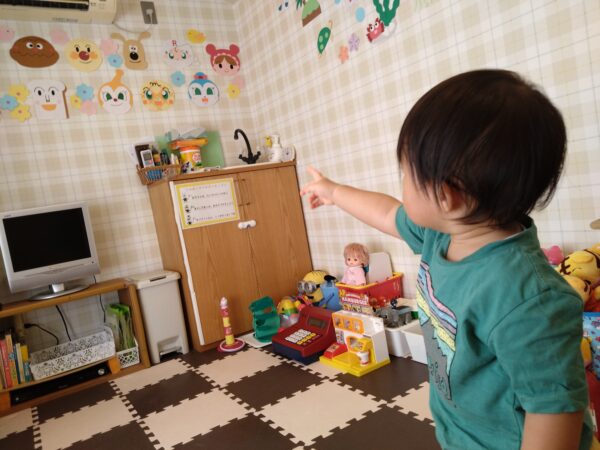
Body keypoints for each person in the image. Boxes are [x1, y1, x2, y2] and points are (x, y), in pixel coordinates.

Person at [300, 69, 592, 450]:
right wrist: (335, 192)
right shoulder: (441, 234)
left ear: (446, 196)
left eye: (406, 173)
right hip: (460, 433)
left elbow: (553, 412)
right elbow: (387, 213)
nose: (402, 184)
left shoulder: (527, 299)